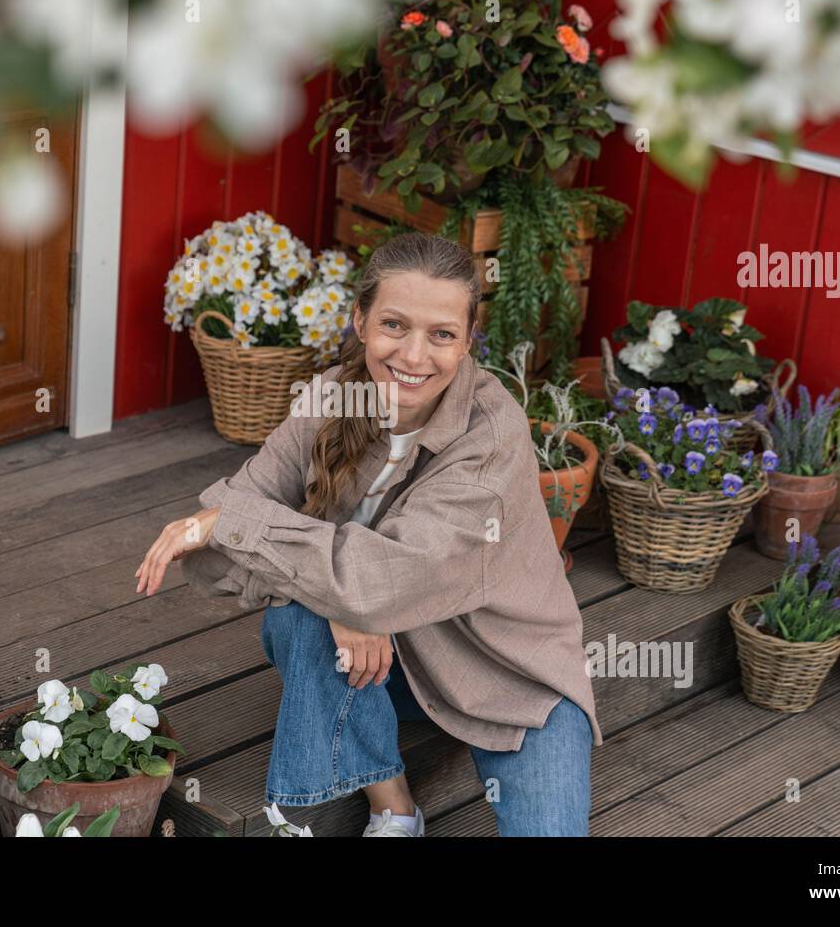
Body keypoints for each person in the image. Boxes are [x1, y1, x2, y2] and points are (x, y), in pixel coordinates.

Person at [135, 232, 600, 837]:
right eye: (394, 325)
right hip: (386, 664)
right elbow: (226, 545)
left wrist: (256, 537)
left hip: (508, 674)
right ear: (359, 320)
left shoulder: (492, 435)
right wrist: (341, 603)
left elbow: (389, 571)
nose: (413, 355)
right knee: (297, 619)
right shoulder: (331, 395)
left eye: (441, 334)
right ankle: (393, 805)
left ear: (467, 341)